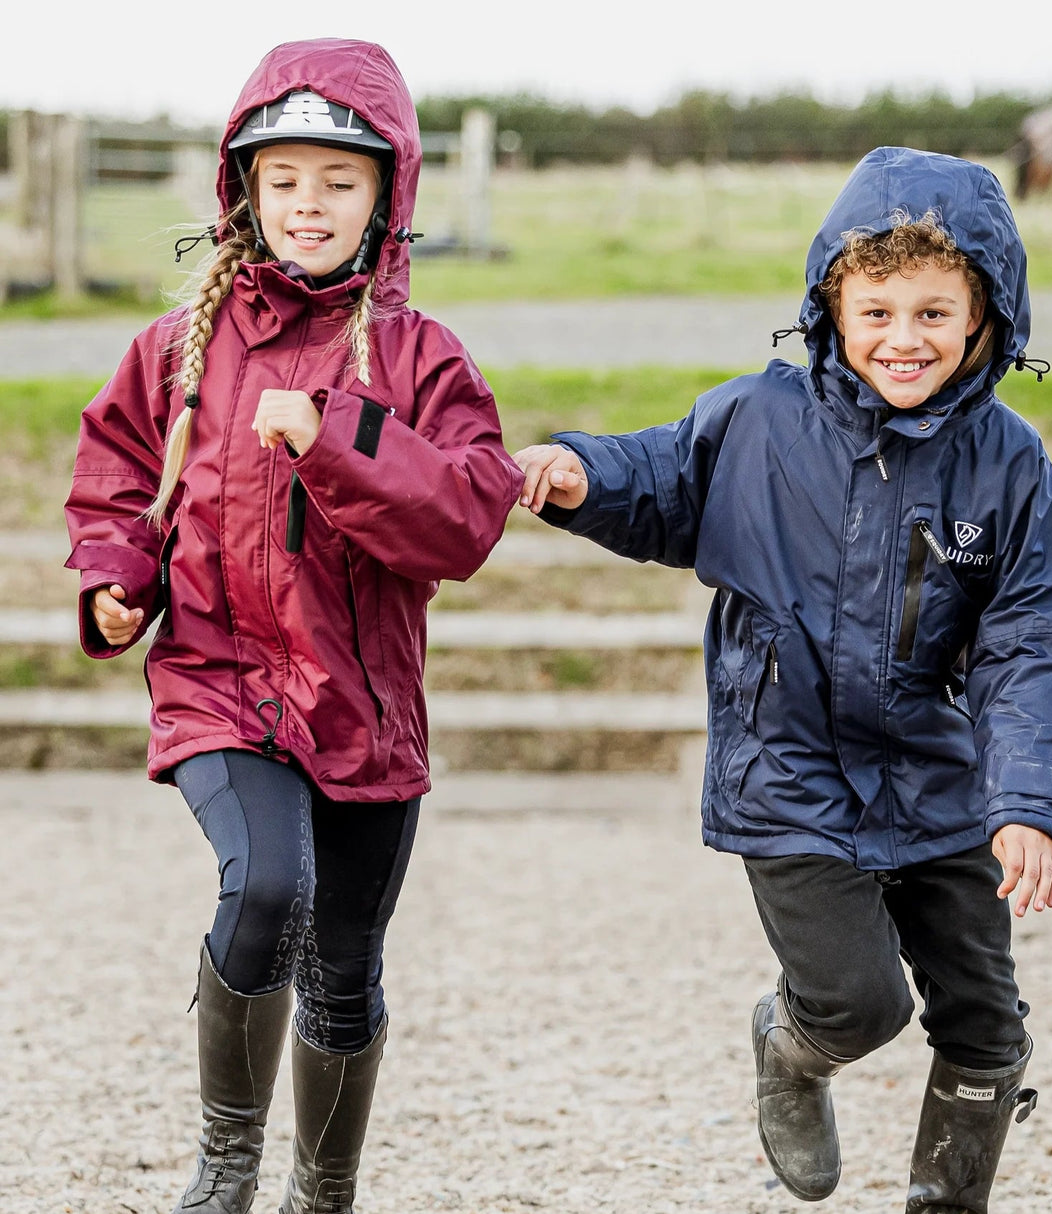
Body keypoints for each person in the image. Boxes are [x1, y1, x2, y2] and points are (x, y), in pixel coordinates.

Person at [513, 146, 1052, 1210]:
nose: (902, 337)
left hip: (939, 774)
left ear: (982, 316)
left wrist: (1026, 799)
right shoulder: (756, 420)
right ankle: (789, 1047)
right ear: (832, 306)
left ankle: (943, 1197)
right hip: (785, 768)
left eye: (933, 311)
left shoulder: (1008, 463)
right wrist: (577, 473)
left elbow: (1040, 635)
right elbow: (654, 481)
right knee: (856, 1002)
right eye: (874, 310)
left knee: (985, 1017)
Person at [64, 39, 522, 1214]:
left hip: (363, 705)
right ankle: (224, 1167)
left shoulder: (423, 360)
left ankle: (324, 1190)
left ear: (386, 197)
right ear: (242, 191)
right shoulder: (178, 347)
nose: (307, 205)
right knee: (265, 886)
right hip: (219, 678)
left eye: (337, 181)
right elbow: (117, 471)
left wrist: (333, 439)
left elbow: (465, 519)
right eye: (283, 181)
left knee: (347, 966)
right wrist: (120, 573)